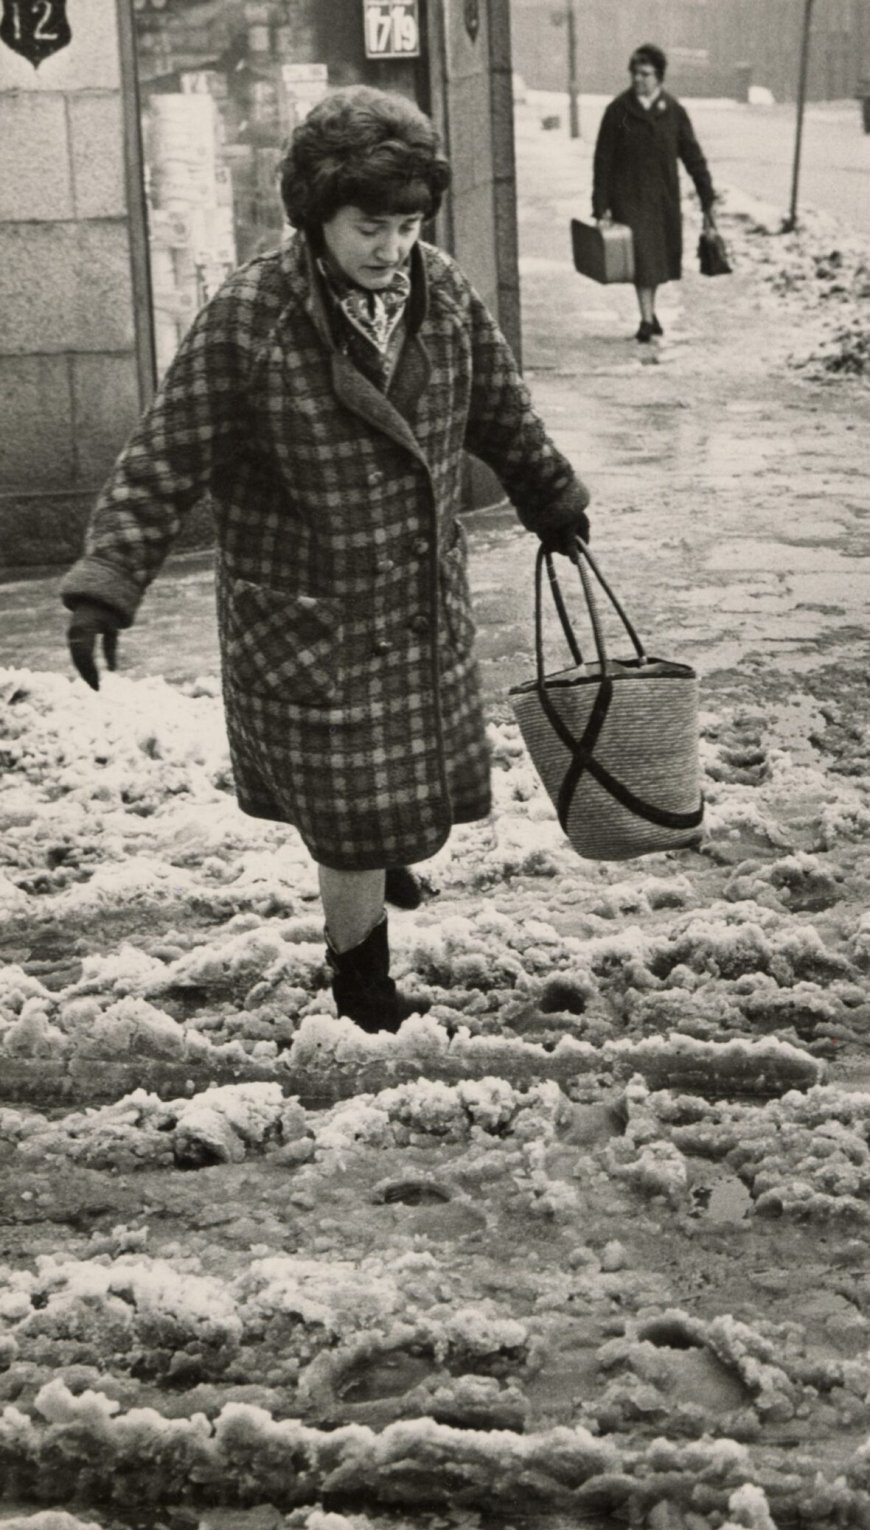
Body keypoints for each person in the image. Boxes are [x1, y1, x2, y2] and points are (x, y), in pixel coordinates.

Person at [61, 86, 591, 1034]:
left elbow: (502, 413)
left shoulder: (444, 294)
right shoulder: (254, 314)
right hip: (313, 618)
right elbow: (166, 452)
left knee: (376, 796)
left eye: (409, 224)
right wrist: (108, 581)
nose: (392, 249)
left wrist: (551, 497)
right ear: (315, 217)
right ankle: (362, 982)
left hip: (415, 607)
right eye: (369, 227)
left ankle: (378, 852)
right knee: (349, 814)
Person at [592, 43, 718, 343]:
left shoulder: (673, 112)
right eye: (635, 73)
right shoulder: (621, 111)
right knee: (646, 261)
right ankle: (646, 321)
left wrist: (707, 196)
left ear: (659, 77)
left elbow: (692, 156)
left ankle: (651, 314)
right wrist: (601, 206)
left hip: (662, 200)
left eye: (645, 74)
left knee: (656, 262)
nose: (638, 79)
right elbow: (604, 160)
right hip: (629, 199)